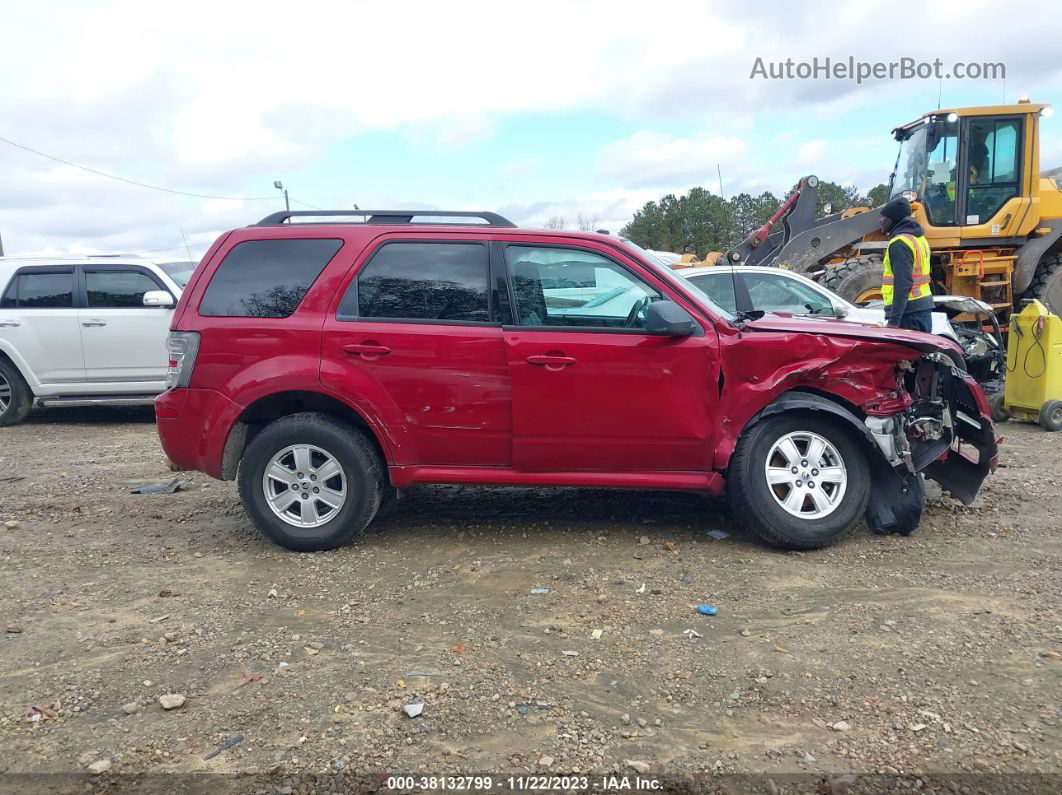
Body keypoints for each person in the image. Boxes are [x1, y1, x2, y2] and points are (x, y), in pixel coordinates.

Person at [879, 197, 933, 331]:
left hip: (908, 314)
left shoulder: (900, 243)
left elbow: (903, 283)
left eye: (884, 217)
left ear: (892, 219)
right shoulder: (918, 238)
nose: (880, 221)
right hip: (921, 308)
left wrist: (893, 321)